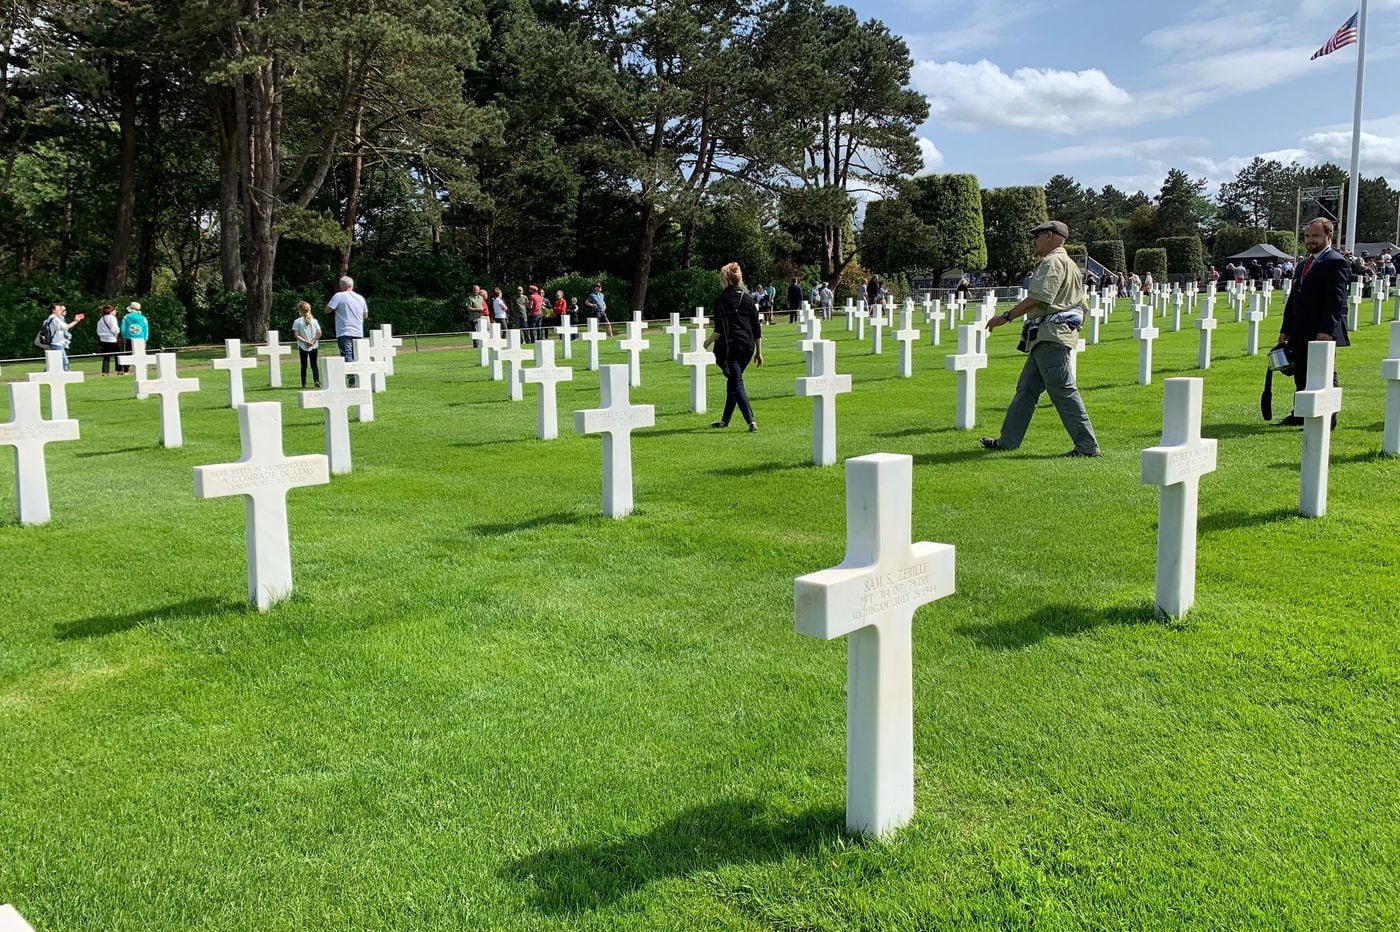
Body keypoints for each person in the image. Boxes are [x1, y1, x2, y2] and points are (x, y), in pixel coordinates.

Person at [979, 220, 1100, 458]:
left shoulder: (1052, 262)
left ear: (1050, 236)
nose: (1034, 241)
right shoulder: (1071, 265)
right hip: (1048, 336)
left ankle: (1087, 447)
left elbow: (1038, 297)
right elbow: (1081, 305)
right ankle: (1008, 441)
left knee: (1063, 391)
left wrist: (1006, 316)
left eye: (1037, 236)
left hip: (1050, 337)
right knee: (1026, 389)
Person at [1276, 217, 1350, 426]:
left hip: (1321, 329)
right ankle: (1300, 412)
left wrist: (1327, 330)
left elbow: (1335, 301)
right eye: (1307, 236)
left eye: (1316, 236)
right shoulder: (1302, 264)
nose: (1310, 240)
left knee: (1323, 372)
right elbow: (1294, 299)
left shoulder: (1335, 262)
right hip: (1300, 327)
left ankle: (1329, 417)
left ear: (1329, 236)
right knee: (1300, 372)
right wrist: (1286, 329)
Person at [705, 262, 763, 432]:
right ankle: (725, 420)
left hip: (731, 348)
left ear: (725, 279)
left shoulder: (721, 300)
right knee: (732, 382)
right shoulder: (748, 298)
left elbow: (720, 330)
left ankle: (751, 421)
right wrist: (759, 353)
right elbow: (756, 329)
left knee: (736, 384)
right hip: (748, 347)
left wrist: (707, 342)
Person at [326, 275, 367, 363]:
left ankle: (351, 376)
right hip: (358, 331)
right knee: (358, 356)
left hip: (344, 331)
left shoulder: (339, 296)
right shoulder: (360, 298)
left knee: (347, 355)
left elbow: (328, 310)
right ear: (351, 285)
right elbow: (365, 315)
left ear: (341, 286)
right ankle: (358, 376)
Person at [40, 302, 85, 370]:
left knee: (52, 364)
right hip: (56, 343)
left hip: (53, 343)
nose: (61, 310)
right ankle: (66, 376)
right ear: (53, 310)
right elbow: (65, 327)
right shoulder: (54, 319)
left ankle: (42, 377)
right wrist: (76, 321)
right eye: (59, 309)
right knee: (64, 362)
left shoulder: (49, 319)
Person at [292, 300, 322, 388]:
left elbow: (296, 335)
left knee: (303, 365)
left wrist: (306, 342)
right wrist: (312, 341)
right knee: (314, 364)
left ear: (300, 311)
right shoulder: (314, 321)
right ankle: (316, 380)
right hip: (314, 345)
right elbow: (319, 333)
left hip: (303, 345)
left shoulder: (297, 321)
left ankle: (304, 383)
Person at [96, 304, 124, 375]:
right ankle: (119, 370)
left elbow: (98, 331)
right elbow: (115, 329)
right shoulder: (112, 318)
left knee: (106, 357)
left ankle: (105, 371)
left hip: (103, 340)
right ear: (111, 311)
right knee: (117, 355)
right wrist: (117, 333)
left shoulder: (101, 319)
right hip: (112, 339)